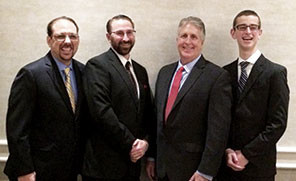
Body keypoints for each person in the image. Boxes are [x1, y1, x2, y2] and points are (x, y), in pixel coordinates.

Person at [146, 16, 232, 181]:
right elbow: (157, 120)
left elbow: (218, 131)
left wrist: (206, 171)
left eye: (194, 37)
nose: (188, 41)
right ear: (177, 39)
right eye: (184, 36)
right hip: (162, 169)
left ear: (202, 42)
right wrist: (152, 157)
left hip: (194, 171)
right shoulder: (164, 73)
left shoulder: (217, 77)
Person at [4, 16, 86, 180]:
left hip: (70, 170)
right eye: (60, 36)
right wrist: (24, 170)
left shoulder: (84, 72)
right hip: (37, 171)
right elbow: (17, 129)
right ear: (49, 40)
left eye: (73, 36)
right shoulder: (31, 74)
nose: (68, 41)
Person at [216, 10, 290, 181]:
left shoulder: (275, 73)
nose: (248, 32)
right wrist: (227, 150)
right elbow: (220, 119)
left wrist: (246, 154)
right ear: (233, 33)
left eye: (253, 27)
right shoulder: (224, 73)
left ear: (260, 33)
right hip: (227, 166)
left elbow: (278, 124)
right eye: (242, 27)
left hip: (259, 167)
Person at [82, 14, 155, 181]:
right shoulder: (97, 66)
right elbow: (101, 113)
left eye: (130, 32)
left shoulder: (140, 70)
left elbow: (147, 113)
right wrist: (132, 145)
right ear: (108, 37)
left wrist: (145, 142)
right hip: (103, 167)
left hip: (132, 166)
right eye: (119, 33)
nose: (126, 38)